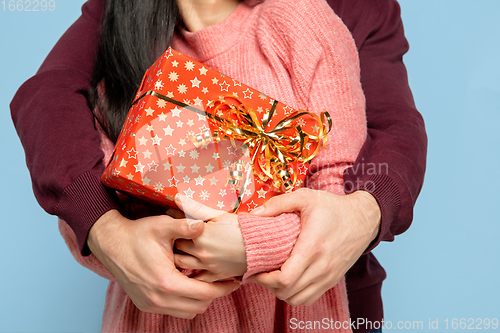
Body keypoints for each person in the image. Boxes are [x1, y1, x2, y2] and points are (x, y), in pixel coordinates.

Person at [10, 0, 427, 333]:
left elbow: (361, 162)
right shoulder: (121, 43)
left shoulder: (302, 21)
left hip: (305, 308)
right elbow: (53, 105)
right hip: (154, 318)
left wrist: (253, 244)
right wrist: (109, 233)